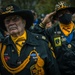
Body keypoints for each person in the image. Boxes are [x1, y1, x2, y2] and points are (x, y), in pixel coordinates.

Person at [0, 4, 60, 75]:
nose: (11, 23)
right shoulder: (2, 46)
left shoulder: (41, 43)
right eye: (7, 21)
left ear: (24, 22)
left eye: (15, 19)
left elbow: (54, 71)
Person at [31, 1, 75, 75]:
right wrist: (44, 22)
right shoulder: (51, 31)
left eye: (66, 12)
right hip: (60, 71)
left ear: (71, 13)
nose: (64, 15)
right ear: (57, 17)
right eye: (61, 13)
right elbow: (34, 36)